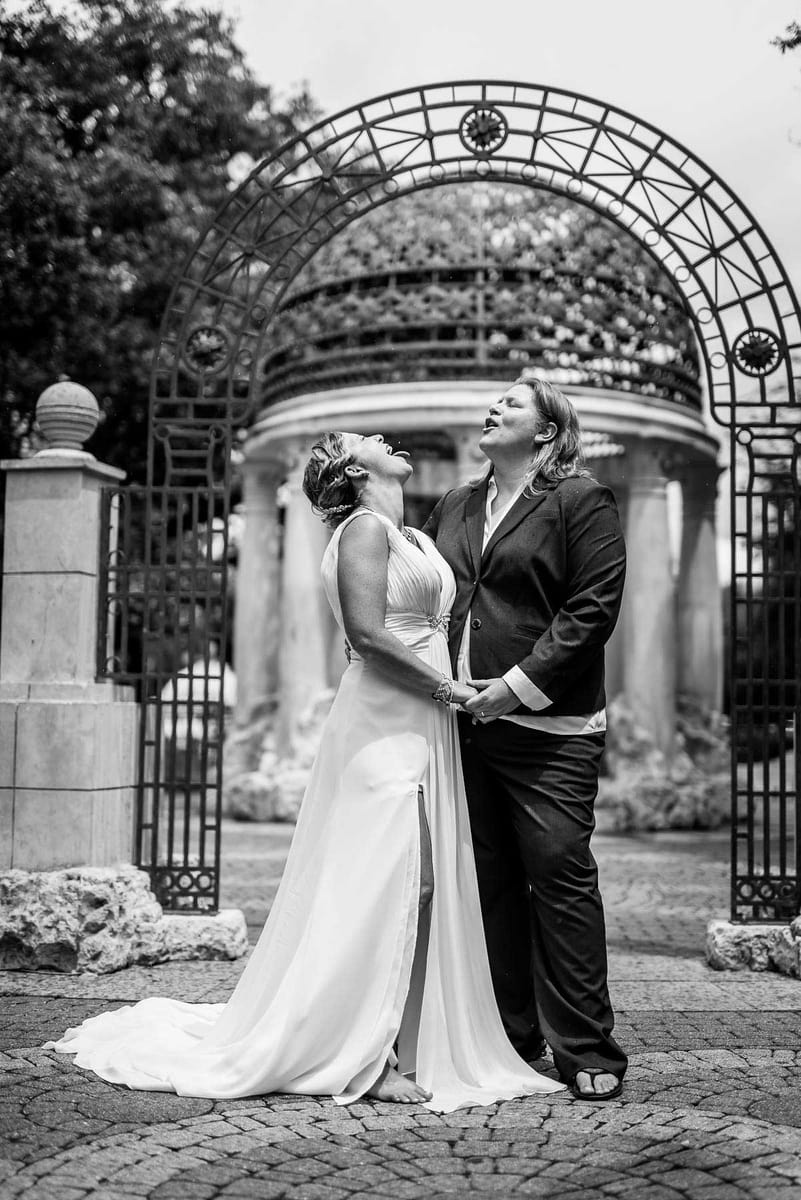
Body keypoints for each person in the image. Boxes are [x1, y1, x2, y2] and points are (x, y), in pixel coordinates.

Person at [45, 430, 563, 1113]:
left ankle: (400, 1036)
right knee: (392, 877)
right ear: (354, 468)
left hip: (424, 719)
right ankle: (362, 1054)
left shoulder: (409, 532)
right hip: (385, 719)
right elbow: (369, 636)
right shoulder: (363, 532)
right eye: (368, 440)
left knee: (419, 880)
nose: (386, 438)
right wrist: (451, 691)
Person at [423, 375, 628, 1102]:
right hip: (460, 724)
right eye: (492, 402)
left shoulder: (580, 500)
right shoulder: (451, 504)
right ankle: (510, 1037)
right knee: (488, 886)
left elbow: (591, 609)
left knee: (559, 877)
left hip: (551, 729)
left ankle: (586, 1049)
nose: (492, 408)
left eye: (510, 404)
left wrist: (509, 687)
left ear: (546, 431)